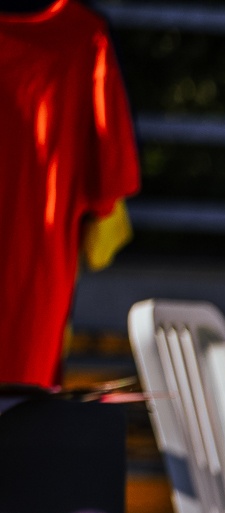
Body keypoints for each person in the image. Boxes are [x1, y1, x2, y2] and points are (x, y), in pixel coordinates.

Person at [0, 0, 138, 388]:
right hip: (33, 300)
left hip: (36, 301)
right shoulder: (82, 40)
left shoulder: (84, 41)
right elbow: (110, 191)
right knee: (23, 417)